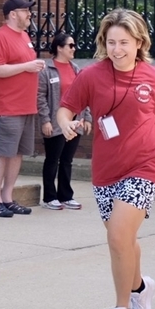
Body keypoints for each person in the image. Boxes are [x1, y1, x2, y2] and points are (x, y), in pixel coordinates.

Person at [57, 9, 155, 309]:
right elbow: (66, 107)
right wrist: (65, 124)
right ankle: (141, 288)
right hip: (106, 171)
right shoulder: (91, 76)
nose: (117, 49)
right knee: (124, 242)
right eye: (112, 42)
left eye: (124, 43)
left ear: (139, 42)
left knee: (117, 237)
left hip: (145, 167)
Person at [0, 0, 46, 218]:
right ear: (13, 14)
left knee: (18, 153)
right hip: (7, 106)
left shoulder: (24, 36)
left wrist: (29, 67)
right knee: (3, 153)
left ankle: (8, 198)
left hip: (26, 106)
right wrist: (27, 66)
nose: (29, 14)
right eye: (25, 10)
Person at [37, 32, 92, 210]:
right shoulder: (46, 69)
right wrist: (45, 120)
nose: (74, 48)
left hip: (75, 121)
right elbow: (40, 97)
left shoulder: (76, 69)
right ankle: (49, 197)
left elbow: (85, 95)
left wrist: (87, 117)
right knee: (53, 159)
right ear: (59, 48)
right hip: (55, 122)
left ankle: (66, 195)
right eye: (70, 45)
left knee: (67, 160)